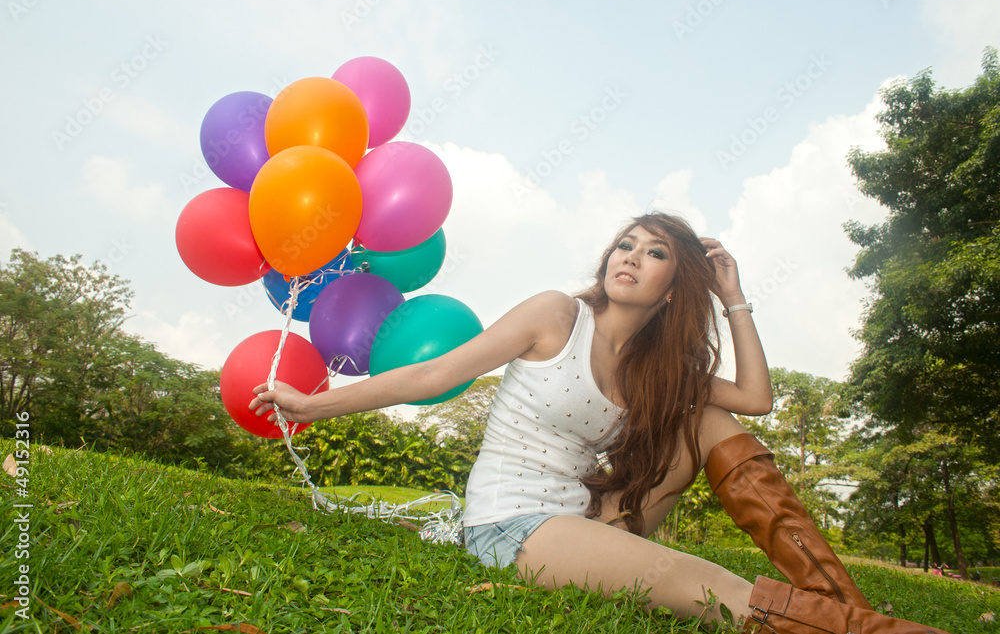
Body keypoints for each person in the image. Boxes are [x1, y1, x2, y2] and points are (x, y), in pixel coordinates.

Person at [250, 212, 949, 634]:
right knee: (716, 590)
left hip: (595, 514)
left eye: (654, 252)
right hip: (516, 525)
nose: (630, 257)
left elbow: (755, 399)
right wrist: (312, 404)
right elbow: (434, 375)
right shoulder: (557, 315)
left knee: (707, 415)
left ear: (673, 288)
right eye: (625, 244)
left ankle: (842, 602)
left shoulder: (658, 365)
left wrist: (734, 298)